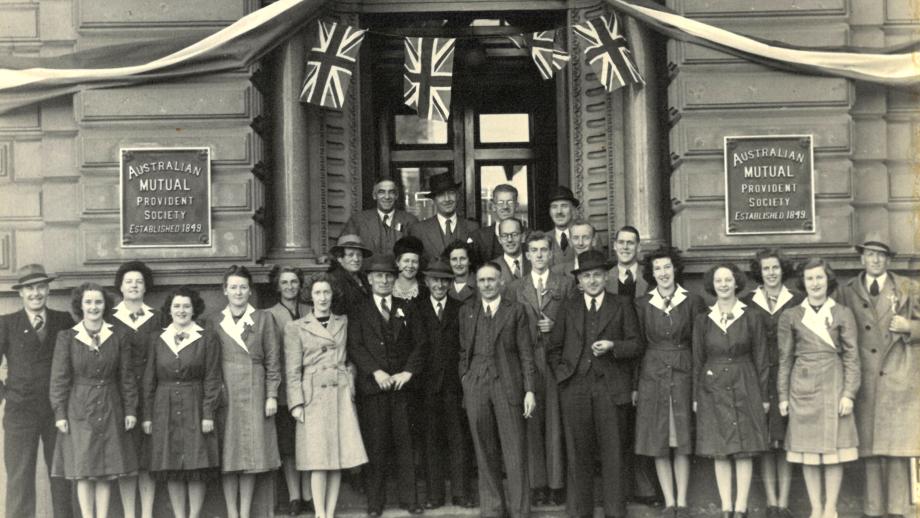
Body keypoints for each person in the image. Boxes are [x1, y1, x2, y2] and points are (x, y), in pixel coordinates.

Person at [547, 250, 644, 518]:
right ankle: (581, 512)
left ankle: (614, 512)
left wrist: (614, 346)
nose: (592, 281)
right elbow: (553, 347)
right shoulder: (569, 306)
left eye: (597, 275)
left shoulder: (622, 304)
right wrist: (563, 375)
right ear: (579, 281)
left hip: (610, 388)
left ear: (605, 277)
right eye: (586, 276)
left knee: (613, 452)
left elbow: (637, 345)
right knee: (578, 453)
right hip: (575, 387)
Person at [836, 234, 920, 518]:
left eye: (881, 255)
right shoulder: (847, 291)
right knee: (869, 448)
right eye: (870, 254)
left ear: (888, 260)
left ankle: (898, 510)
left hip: (898, 375)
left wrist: (909, 325)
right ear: (862, 258)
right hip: (865, 378)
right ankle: (872, 510)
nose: (875, 260)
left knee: (896, 447)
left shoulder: (908, 288)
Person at [777, 258, 860, 518]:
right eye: (810, 278)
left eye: (820, 278)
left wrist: (849, 393)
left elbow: (852, 356)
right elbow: (785, 358)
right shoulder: (791, 315)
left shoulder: (842, 313)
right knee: (808, 452)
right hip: (801, 388)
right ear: (804, 282)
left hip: (834, 385)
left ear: (828, 280)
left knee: (834, 450)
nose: (815, 283)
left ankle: (830, 508)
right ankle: (815, 509)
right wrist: (782, 396)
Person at [50, 283, 138, 518]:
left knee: (105, 470)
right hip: (79, 408)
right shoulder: (67, 337)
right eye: (88, 302)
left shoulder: (118, 336)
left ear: (105, 305)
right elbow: (59, 378)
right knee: (84, 469)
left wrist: (130, 410)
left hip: (111, 405)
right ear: (80, 305)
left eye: (98, 302)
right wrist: (59, 413)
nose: (93, 307)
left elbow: (126, 377)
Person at [284, 274, 368, 518]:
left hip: (340, 392)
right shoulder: (296, 327)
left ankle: (329, 513)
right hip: (313, 396)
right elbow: (292, 369)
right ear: (310, 296)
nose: (322, 298)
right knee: (318, 460)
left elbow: (350, 357)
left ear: (333, 296)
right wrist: (296, 403)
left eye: (326, 293)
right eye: (318, 293)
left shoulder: (343, 322)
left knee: (338, 457)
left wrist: (350, 383)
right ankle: (320, 513)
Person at [347, 254, 424, 516]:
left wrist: (408, 372)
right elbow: (355, 346)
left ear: (395, 279)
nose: (384, 280)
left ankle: (410, 500)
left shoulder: (408, 307)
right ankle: (375, 503)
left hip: (402, 388)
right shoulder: (359, 310)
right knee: (376, 446)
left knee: (406, 444)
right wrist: (376, 372)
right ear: (369, 279)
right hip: (374, 389)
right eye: (378, 275)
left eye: (389, 275)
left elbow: (420, 344)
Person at [459, 262, 536, 518]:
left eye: (491, 280)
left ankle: (520, 511)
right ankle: (492, 510)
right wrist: (466, 378)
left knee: (514, 452)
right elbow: (462, 350)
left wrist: (529, 390)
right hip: (477, 385)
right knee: (484, 450)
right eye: (482, 281)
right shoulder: (467, 311)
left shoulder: (515, 311)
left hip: (507, 385)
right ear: (476, 284)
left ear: (501, 282)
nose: (487, 285)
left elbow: (526, 353)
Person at [693, 263, 769, 518]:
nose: (724, 285)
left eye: (728, 280)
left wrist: (764, 396)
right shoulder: (703, 320)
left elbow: (761, 358)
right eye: (719, 281)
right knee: (720, 450)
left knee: (744, 448)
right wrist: (696, 396)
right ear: (712, 285)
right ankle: (726, 507)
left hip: (745, 383)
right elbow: (697, 360)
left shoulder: (752, 317)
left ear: (737, 283)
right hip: (712, 387)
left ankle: (741, 508)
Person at [633, 249, 706, 518]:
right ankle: (669, 501)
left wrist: (698, 382)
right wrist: (635, 385)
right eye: (658, 269)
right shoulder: (642, 304)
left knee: (681, 438)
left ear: (675, 270)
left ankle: (683, 502)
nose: (663, 273)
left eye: (667, 267)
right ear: (652, 274)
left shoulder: (692, 301)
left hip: (683, 371)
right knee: (659, 439)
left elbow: (699, 345)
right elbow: (638, 345)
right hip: (652, 375)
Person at [0, 264, 75, 518]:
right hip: (19, 412)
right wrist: (7, 395)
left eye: (41, 287)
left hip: (58, 413)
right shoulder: (6, 323)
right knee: (19, 477)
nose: (36, 293)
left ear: (48, 290)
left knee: (61, 475)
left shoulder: (64, 320)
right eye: (29, 288)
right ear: (20, 293)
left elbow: (77, 363)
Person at [507, 231, 575, 507]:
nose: (538, 255)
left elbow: (575, 321)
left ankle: (557, 483)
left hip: (556, 361)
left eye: (543, 250)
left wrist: (555, 327)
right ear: (526, 255)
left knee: (556, 423)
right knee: (531, 421)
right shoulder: (515, 288)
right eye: (533, 250)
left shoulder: (566, 284)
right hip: (528, 361)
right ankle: (537, 483)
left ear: (551, 254)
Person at [209, 265, 282, 518]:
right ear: (225, 290)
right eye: (233, 287)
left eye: (243, 287)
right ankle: (232, 513)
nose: (238, 292)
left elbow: (273, 360)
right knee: (230, 455)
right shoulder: (215, 322)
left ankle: (245, 510)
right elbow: (210, 362)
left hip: (255, 389)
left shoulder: (263, 319)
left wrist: (271, 394)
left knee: (250, 455)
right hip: (227, 391)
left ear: (250, 291)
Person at [142, 287, 221, 518]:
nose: (181, 310)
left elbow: (213, 377)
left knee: (196, 462)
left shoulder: (207, 337)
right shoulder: (157, 338)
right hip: (163, 406)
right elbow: (149, 379)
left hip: (195, 403)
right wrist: (147, 416)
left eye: (186, 306)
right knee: (171, 463)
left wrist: (208, 413)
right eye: (176, 306)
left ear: (194, 309)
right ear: (170, 310)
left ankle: (194, 515)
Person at [740, 249, 804, 518]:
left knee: (785, 439)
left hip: (788, 376)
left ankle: (783, 503)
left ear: (783, 270)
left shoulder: (797, 300)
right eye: (766, 269)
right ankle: (770, 502)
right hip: (758, 376)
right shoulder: (747, 302)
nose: (771, 273)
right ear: (759, 272)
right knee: (766, 441)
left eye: (775, 268)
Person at [411, 259, 474, 509]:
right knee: (430, 441)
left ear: (450, 283)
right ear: (426, 282)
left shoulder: (461, 308)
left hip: (454, 385)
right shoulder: (415, 308)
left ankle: (461, 493)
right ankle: (434, 494)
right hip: (426, 387)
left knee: (459, 439)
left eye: (444, 280)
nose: (439, 285)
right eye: (435, 280)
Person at [605, 225, 657, 506]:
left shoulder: (649, 280)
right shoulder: (605, 278)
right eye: (621, 243)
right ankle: (620, 490)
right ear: (614, 246)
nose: (625, 247)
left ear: (638, 248)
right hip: (613, 359)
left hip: (644, 356)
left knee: (642, 427)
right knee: (616, 429)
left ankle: (645, 487)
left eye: (631, 243)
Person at [110, 261, 159, 518]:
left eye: (139, 281)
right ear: (120, 286)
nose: (134, 286)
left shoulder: (158, 317)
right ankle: (130, 513)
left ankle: (147, 512)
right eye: (129, 281)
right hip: (119, 397)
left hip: (151, 395)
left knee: (147, 457)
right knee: (126, 456)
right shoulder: (109, 317)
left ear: (146, 286)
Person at [265, 265, 313, 516]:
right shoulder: (269, 315)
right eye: (284, 282)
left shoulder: (310, 310)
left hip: (311, 387)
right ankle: (295, 495)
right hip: (285, 389)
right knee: (289, 446)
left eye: (294, 282)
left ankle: (308, 493)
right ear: (277, 286)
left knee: (309, 442)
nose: (290, 287)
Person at [408, 172, 478, 261]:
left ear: (457, 196)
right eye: (441, 194)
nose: (447, 199)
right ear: (433, 200)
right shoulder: (419, 230)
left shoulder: (472, 227)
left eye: (451, 193)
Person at [342, 178, 419, 256]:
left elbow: (418, 252)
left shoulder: (410, 221)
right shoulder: (358, 220)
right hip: (367, 267)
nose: (387, 197)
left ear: (396, 196)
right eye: (381, 192)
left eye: (391, 192)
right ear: (374, 196)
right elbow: (345, 249)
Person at [326, 234, 374, 318]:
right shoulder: (334, 279)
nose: (356, 259)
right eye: (350, 255)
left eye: (359, 255)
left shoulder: (363, 277)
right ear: (340, 258)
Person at [470, 184, 519, 262]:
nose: (505, 207)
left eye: (510, 202)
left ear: (517, 206)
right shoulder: (478, 238)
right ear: (493, 206)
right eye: (500, 203)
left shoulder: (528, 236)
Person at [545, 186, 580, 266]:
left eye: (564, 206)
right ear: (550, 212)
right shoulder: (543, 239)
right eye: (554, 207)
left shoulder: (587, 236)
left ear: (573, 210)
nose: (559, 212)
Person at [495, 218, 530, 286]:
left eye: (514, 234)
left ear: (523, 237)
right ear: (499, 239)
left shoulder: (534, 263)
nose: (510, 239)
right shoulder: (491, 268)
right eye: (505, 235)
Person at [393, 235, 428, 302]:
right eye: (406, 261)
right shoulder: (388, 288)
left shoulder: (426, 291)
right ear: (397, 262)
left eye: (414, 261)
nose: (410, 265)